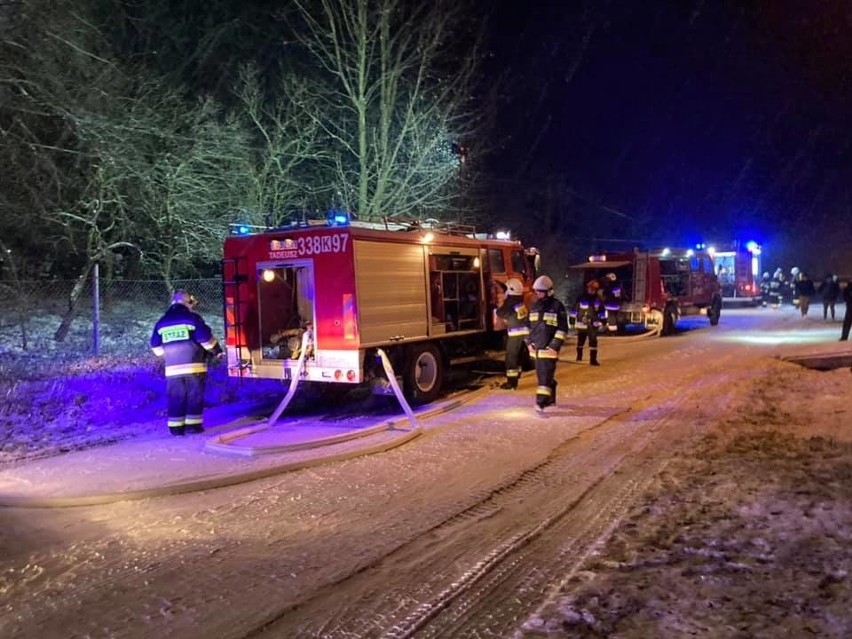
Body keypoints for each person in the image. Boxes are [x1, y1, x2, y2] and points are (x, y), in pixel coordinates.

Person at [150, 290, 223, 436]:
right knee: (194, 396)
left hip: (172, 369)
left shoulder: (162, 322)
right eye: (191, 303)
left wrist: (170, 356)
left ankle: (176, 428)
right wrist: (217, 352)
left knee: (176, 397)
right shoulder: (192, 318)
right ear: (186, 303)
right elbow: (206, 340)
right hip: (194, 366)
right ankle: (193, 427)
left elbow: (156, 347)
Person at [524, 275, 568, 413]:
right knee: (544, 375)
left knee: (544, 377)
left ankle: (540, 403)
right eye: (536, 291)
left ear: (549, 291)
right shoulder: (534, 306)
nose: (537, 294)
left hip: (549, 349)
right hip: (536, 349)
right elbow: (527, 326)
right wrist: (528, 342)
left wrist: (554, 345)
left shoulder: (557, 306)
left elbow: (562, 329)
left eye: (540, 291)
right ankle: (551, 398)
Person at [494, 278, 529, 390]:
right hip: (524, 332)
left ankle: (511, 382)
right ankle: (517, 374)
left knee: (511, 357)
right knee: (518, 355)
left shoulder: (510, 302)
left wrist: (498, 305)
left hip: (515, 333)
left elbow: (501, 313)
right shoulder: (519, 301)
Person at [571, 278, 607, 366]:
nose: (592, 291)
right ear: (587, 288)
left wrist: (604, 322)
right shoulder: (581, 299)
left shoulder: (598, 300)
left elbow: (602, 312)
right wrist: (572, 321)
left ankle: (593, 360)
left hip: (593, 324)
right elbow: (574, 310)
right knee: (580, 341)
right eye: (590, 289)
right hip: (582, 324)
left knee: (593, 341)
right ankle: (579, 356)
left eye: (594, 289)